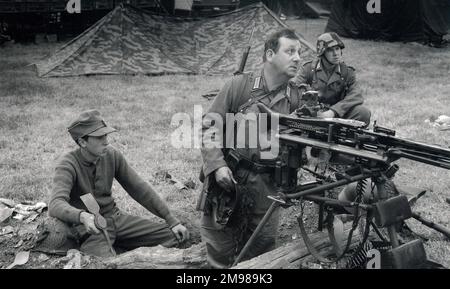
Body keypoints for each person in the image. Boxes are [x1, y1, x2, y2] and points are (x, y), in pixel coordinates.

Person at [199, 28, 304, 268]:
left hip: (269, 187)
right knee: (221, 249)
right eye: (290, 51)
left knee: (261, 255)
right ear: (269, 55)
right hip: (231, 180)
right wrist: (217, 166)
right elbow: (209, 128)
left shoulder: (297, 98)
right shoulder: (240, 86)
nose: (297, 58)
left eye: (299, 52)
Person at [47, 110, 189, 257]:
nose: (106, 141)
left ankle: (122, 247)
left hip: (117, 219)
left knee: (174, 237)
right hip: (92, 229)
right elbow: (55, 204)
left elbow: (139, 188)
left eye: (106, 135)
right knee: (103, 264)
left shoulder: (111, 154)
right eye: (99, 137)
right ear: (82, 142)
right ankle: (114, 251)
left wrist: (170, 219)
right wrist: (82, 216)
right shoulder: (68, 164)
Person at [291, 32, 371, 125]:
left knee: (363, 112)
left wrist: (333, 111)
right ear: (322, 52)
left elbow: (356, 95)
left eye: (337, 49)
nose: (336, 54)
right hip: (312, 114)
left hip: (337, 115)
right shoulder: (308, 69)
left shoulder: (347, 72)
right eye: (330, 50)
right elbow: (293, 88)